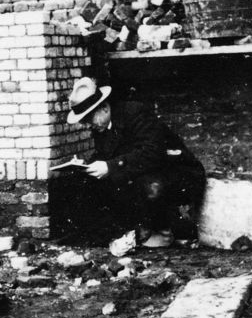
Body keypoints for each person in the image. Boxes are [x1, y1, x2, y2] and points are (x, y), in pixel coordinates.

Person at [66, 77, 206, 246]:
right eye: (85, 121)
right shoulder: (101, 127)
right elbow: (107, 154)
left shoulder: (135, 112)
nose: (88, 125)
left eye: (89, 118)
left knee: (150, 186)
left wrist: (109, 166)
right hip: (147, 174)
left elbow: (153, 153)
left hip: (178, 172)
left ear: (104, 108)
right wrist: (87, 165)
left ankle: (165, 232)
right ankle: (133, 233)